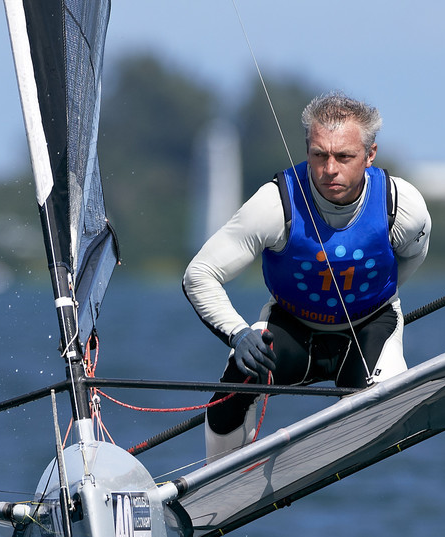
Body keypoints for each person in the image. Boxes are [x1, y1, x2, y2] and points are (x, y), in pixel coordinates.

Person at [183, 91, 431, 461]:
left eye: (344, 156)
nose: (329, 169)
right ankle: (216, 482)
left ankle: (370, 400)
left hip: (370, 328)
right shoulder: (274, 204)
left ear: (370, 154)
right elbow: (200, 274)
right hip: (290, 330)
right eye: (319, 155)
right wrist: (238, 334)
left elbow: (409, 261)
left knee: (382, 399)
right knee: (229, 397)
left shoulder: (402, 206)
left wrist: (366, 303)